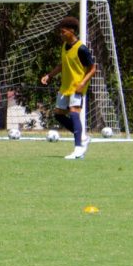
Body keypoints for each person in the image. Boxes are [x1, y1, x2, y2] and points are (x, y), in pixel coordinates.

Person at [40, 16, 97, 160]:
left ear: (72, 31)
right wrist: (50, 75)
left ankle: (78, 148)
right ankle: (83, 137)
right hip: (65, 86)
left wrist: (83, 83)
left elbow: (93, 68)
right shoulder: (64, 47)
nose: (61, 34)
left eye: (63, 32)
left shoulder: (81, 49)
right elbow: (62, 65)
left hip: (77, 87)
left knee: (73, 113)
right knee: (58, 114)